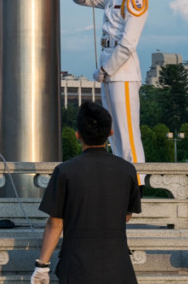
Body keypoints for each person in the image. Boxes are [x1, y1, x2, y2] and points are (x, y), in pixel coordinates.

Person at [32, 101, 141, 284]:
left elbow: (55, 223)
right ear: (110, 134)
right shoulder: (128, 170)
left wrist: (42, 266)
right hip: (119, 268)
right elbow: (126, 215)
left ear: (78, 135)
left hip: (76, 268)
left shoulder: (65, 171)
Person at [71, 0, 148, 168]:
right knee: (112, 130)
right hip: (109, 70)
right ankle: (120, 174)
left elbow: (128, 43)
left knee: (127, 131)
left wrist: (106, 69)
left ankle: (137, 180)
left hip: (122, 71)